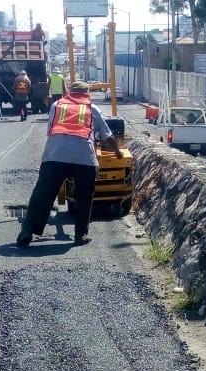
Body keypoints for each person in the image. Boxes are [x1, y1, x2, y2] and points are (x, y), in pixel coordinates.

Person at [17, 81, 122, 248]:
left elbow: (50, 130)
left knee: (42, 195)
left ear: (69, 92)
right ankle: (80, 235)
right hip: (84, 158)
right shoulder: (91, 108)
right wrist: (118, 153)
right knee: (84, 197)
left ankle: (27, 231)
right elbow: (107, 136)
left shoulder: (57, 105)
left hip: (54, 155)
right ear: (87, 93)